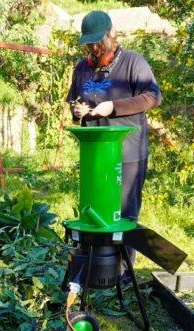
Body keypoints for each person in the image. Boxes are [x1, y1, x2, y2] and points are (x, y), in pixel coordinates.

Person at [66, 11, 163, 282]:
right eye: (88, 43)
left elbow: (154, 97)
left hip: (127, 151)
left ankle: (124, 271)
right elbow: (74, 103)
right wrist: (79, 110)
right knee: (96, 207)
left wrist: (114, 107)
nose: (93, 48)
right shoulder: (81, 67)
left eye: (98, 42)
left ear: (111, 35)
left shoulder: (133, 62)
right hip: (94, 151)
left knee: (123, 211)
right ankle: (97, 266)